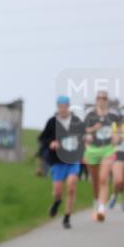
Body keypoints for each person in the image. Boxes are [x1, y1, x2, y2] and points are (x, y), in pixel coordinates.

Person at [38, 96, 86, 229]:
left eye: (65, 106)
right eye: (60, 107)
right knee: (57, 191)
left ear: (68, 107)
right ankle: (57, 202)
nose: (62, 109)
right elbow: (43, 138)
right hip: (57, 161)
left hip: (72, 159)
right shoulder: (52, 122)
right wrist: (51, 143)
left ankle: (67, 217)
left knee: (71, 187)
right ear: (57, 107)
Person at [82, 90, 121, 222]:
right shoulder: (90, 115)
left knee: (103, 179)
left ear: (107, 100)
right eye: (99, 98)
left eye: (104, 98)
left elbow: (119, 129)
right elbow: (82, 130)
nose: (101, 100)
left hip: (108, 149)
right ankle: (96, 200)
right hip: (93, 149)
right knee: (95, 180)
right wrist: (93, 129)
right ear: (96, 100)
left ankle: (102, 209)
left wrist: (116, 137)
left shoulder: (113, 115)